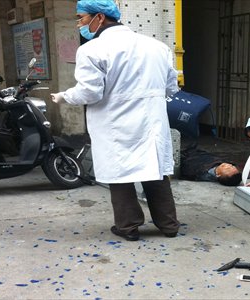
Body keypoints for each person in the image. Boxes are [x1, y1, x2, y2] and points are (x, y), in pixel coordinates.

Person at [50, 0, 180, 241]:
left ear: (99, 17)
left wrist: (64, 96)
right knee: (155, 170)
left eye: (81, 17)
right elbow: (171, 86)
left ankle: (128, 227)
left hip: (115, 122)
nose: (79, 23)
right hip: (152, 121)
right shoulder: (158, 47)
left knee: (120, 173)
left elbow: (90, 92)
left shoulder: (92, 49)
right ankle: (169, 225)